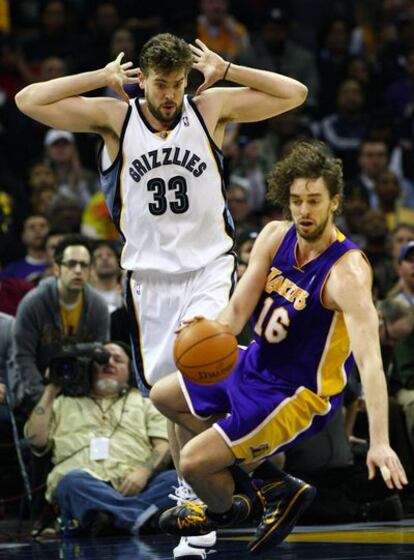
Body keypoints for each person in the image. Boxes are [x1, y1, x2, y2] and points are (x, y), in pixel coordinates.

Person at [15, 31, 307, 554]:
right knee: (172, 399)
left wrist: (230, 69)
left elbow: (295, 93)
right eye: (161, 85)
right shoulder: (115, 118)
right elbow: (27, 100)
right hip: (148, 282)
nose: (170, 95)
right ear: (142, 80)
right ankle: (210, 501)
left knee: (197, 375)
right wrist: (101, 79)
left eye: (177, 83)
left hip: (208, 270)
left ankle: (262, 472)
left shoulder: (209, 107)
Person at [150, 141, 408, 554]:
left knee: (196, 462)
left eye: (314, 201)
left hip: (296, 393)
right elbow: (236, 313)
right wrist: (209, 328)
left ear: (334, 202)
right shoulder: (274, 236)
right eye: (296, 201)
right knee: (163, 395)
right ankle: (272, 484)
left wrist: (379, 441)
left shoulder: (347, 273)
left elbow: (371, 364)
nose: (304, 211)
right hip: (254, 363)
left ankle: (219, 510)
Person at [24, 341, 177, 537]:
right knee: (71, 482)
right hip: (85, 485)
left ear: (129, 371)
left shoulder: (144, 401)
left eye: (118, 360)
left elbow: (164, 444)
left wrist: (144, 472)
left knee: (176, 479)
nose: (109, 363)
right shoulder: (63, 402)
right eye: (102, 359)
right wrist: (52, 387)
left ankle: (111, 519)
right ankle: (141, 519)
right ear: (89, 367)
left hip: (137, 485)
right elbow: (35, 440)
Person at [14, 234, 109, 412]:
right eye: (71, 264)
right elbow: (23, 358)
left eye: (84, 265)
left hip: (84, 393)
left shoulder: (99, 306)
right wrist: (42, 399)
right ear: (57, 269)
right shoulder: (33, 303)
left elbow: (100, 356)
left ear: (90, 271)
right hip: (40, 389)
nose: (78, 270)